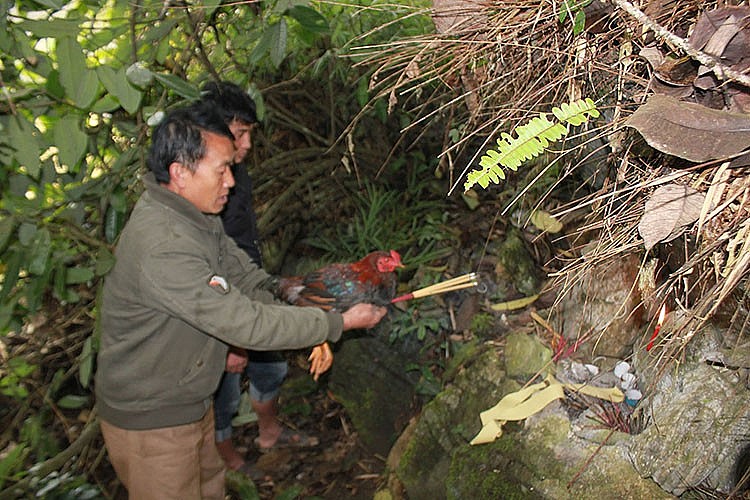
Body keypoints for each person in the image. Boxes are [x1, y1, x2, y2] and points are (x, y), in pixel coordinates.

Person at [94, 104, 386, 499]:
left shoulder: (197, 217)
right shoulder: (163, 245)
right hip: (152, 423)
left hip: (189, 402)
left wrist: (290, 292)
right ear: (180, 173)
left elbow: (244, 275)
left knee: (210, 488)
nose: (231, 181)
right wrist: (338, 324)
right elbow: (245, 323)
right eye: (222, 170)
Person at [198, 81, 327, 477]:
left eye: (250, 132)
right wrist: (233, 339)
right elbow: (208, 267)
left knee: (270, 366)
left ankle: (269, 433)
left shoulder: (237, 174)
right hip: (220, 305)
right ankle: (227, 457)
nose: (248, 143)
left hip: (251, 288)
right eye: (240, 133)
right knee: (223, 382)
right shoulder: (200, 186)